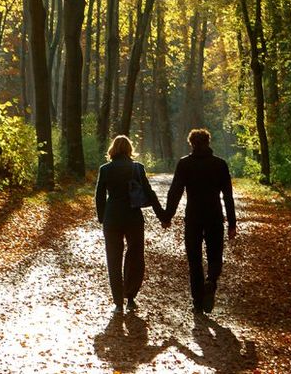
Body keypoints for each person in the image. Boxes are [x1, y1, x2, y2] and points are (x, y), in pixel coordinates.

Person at [162, 128, 237, 315]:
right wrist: (232, 224)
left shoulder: (185, 164)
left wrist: (167, 216)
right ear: (208, 142)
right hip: (214, 215)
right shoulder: (220, 164)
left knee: (194, 257)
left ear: (191, 143)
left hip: (194, 216)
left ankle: (197, 300)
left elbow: (175, 192)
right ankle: (211, 281)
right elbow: (228, 196)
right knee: (215, 253)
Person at [95, 135, 165, 314]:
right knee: (135, 256)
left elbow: (99, 197)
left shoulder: (105, 169)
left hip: (112, 218)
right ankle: (131, 297)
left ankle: (118, 302)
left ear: (113, 149)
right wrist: (162, 216)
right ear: (129, 149)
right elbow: (149, 193)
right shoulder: (137, 168)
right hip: (133, 217)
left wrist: (103, 218)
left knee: (113, 259)